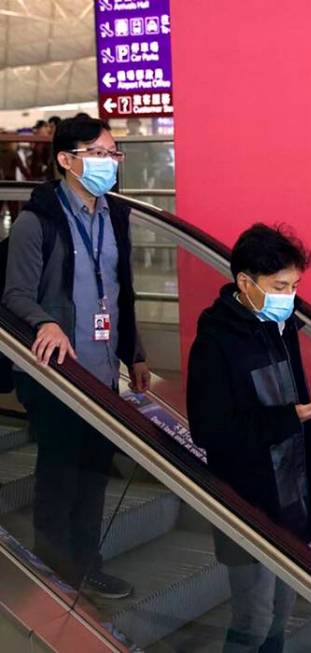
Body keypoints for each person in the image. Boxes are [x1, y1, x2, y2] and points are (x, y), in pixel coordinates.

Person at [2, 116, 150, 598]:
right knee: (60, 477)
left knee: (93, 477)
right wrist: (44, 321)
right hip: (58, 376)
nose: (111, 163)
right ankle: (54, 575)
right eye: (100, 154)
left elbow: (121, 292)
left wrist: (136, 352)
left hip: (103, 373)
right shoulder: (36, 222)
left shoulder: (115, 215)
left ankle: (88, 566)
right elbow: (15, 295)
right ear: (66, 160)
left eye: (114, 154)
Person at [187, 223, 311, 653]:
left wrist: (300, 417)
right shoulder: (215, 343)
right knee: (253, 617)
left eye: (293, 285)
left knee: (281, 613)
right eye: (280, 286)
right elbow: (210, 430)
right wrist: (289, 417)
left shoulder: (282, 324)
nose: (289, 296)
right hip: (250, 499)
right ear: (245, 283)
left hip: (294, 491)